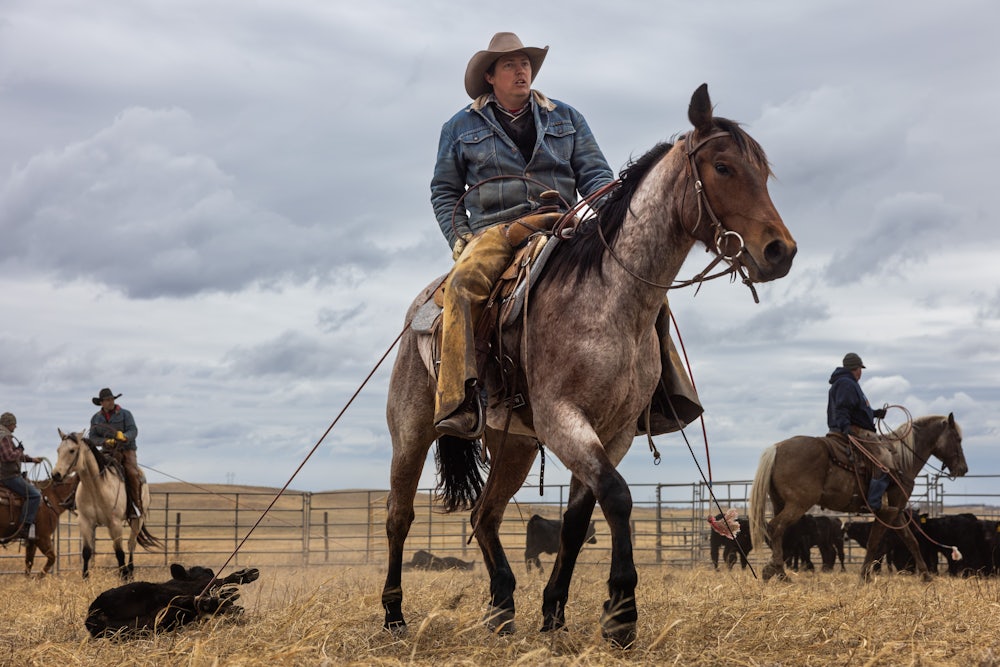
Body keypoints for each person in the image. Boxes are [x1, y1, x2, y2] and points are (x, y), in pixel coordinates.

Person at [430, 32, 702, 438]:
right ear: (490, 76)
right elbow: (444, 191)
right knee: (463, 286)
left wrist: (604, 216)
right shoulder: (459, 126)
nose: (521, 70)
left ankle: (662, 391)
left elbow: (596, 174)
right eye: (510, 65)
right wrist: (461, 238)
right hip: (497, 231)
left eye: (525, 64)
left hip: (563, 220)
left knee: (637, 280)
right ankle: (461, 399)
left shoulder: (566, 117)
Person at [827, 353, 893, 511]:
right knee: (885, 462)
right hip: (855, 430)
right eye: (860, 369)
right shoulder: (847, 383)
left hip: (848, 426)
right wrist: (846, 429)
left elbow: (857, 410)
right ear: (855, 369)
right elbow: (843, 408)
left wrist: (875, 413)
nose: (861, 372)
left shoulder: (845, 382)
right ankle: (874, 502)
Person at [90, 387, 143, 518]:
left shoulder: (126, 414)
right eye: (107, 400)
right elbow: (92, 438)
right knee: (89, 469)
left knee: (132, 473)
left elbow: (133, 430)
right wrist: (105, 442)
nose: (110, 402)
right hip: (107, 451)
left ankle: (135, 506)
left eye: (111, 399)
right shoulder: (96, 419)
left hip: (127, 450)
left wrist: (124, 436)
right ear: (101, 403)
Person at [0, 412, 42, 540]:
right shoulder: (4, 437)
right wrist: (20, 450)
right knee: (35, 495)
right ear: (9, 424)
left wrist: (31, 459)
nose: (15, 427)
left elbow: (14, 456)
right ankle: (25, 527)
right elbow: (9, 457)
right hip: (9, 476)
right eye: (14, 424)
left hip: (5, 475)